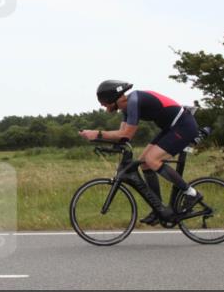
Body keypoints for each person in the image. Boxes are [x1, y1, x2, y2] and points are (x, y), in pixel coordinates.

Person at [81, 80, 202, 224]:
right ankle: (159, 209)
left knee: (152, 160)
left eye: (103, 102)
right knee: (144, 163)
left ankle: (191, 193)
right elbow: (122, 136)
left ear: (111, 98)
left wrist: (97, 134)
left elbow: (126, 135)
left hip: (184, 126)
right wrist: (100, 141)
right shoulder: (126, 108)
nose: (102, 106)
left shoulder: (134, 101)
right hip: (171, 128)